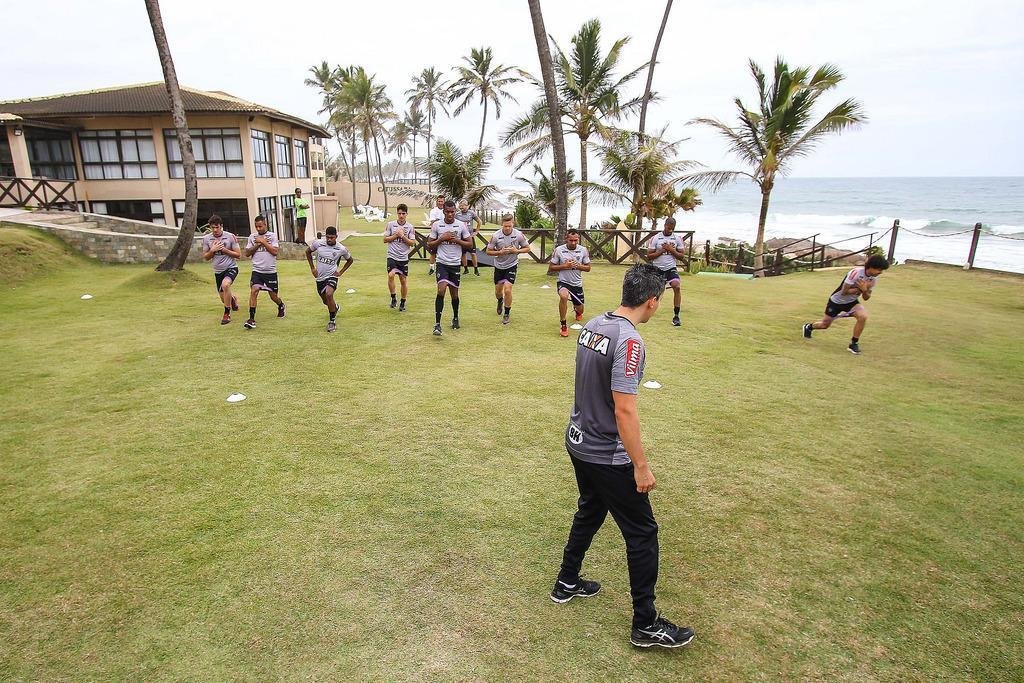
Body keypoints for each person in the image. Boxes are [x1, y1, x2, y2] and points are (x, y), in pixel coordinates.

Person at [552, 263, 694, 650]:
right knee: (642, 532)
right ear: (653, 301)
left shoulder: (596, 323)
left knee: (591, 509)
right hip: (604, 452)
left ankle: (566, 581)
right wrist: (641, 467)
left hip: (577, 441)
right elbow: (624, 409)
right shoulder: (630, 341)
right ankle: (646, 623)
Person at [803, 253, 889, 354]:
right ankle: (809, 327)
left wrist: (865, 290)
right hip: (836, 301)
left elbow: (866, 298)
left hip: (852, 302)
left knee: (863, 316)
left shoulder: (873, 280)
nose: (880, 272)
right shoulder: (855, 273)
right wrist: (859, 289)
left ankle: (853, 344)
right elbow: (844, 292)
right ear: (871, 267)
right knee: (825, 325)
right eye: (879, 269)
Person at [426, 200, 472, 336]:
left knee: (454, 294)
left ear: (455, 212)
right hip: (442, 263)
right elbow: (430, 245)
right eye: (447, 211)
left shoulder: (461, 225)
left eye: (452, 212)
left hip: (455, 264)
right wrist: (442, 238)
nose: (450, 214)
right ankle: (437, 324)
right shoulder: (437, 225)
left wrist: (456, 240)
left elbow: (469, 244)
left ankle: (456, 317)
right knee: (441, 290)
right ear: (443, 211)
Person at [306, 226, 354, 333]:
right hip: (320, 278)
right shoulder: (318, 244)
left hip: (332, 276)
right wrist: (312, 268)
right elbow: (307, 252)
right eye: (327, 237)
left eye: (332, 237)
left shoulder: (341, 249)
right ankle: (335, 308)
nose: (329, 239)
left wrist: (340, 272)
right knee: (325, 301)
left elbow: (350, 260)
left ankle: (332, 321)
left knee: (329, 294)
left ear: (336, 237)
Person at [485, 213, 530, 325]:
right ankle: (500, 301)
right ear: (502, 225)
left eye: (510, 226)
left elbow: (527, 248)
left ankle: (506, 313)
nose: (508, 228)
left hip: (512, 265)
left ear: (512, 224)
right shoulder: (496, 236)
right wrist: (499, 252)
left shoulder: (518, 235)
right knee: (498, 291)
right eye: (505, 226)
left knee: (508, 289)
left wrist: (517, 251)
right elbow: (488, 251)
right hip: (499, 266)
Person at [242, 215, 286, 329]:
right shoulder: (252, 237)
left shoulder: (272, 236)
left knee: (273, 296)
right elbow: (247, 253)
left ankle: (281, 305)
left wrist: (263, 242)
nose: (258, 229)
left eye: (260, 226)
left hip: (270, 272)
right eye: (256, 226)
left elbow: (275, 252)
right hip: (257, 271)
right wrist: (257, 244)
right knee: (254, 291)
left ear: (265, 224)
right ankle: (251, 319)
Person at [549, 229, 592, 337]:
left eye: (575, 240)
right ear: (566, 239)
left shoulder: (583, 250)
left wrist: (578, 266)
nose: (573, 243)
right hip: (563, 281)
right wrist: (565, 266)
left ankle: (577, 310)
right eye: (571, 240)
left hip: (577, 284)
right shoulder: (559, 250)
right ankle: (563, 325)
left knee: (581, 310)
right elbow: (551, 268)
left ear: (578, 239)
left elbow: (588, 268)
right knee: (563, 296)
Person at [200, 214, 241, 325]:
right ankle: (232, 299)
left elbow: (238, 255)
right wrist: (212, 250)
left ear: (221, 226)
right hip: (218, 271)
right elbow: (206, 257)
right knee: (223, 298)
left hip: (231, 267)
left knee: (225, 285)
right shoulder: (207, 239)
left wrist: (224, 250)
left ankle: (226, 314)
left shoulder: (230, 237)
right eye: (213, 227)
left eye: (217, 227)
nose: (215, 230)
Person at [646, 217, 686, 326]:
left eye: (672, 229)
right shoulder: (656, 238)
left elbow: (682, 256)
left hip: (670, 268)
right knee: (655, 293)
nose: (670, 230)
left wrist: (671, 249)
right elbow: (649, 256)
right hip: (657, 269)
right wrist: (662, 250)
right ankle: (645, 312)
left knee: (676, 286)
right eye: (669, 228)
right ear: (665, 225)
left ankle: (676, 316)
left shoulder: (677, 239)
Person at [384, 203, 417, 311]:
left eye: (403, 213)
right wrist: (395, 235)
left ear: (406, 214)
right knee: (391, 275)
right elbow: (385, 239)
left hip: (403, 257)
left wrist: (402, 236)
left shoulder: (410, 227)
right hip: (392, 255)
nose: (401, 216)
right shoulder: (390, 224)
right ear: (397, 214)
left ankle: (403, 301)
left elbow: (412, 243)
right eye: (399, 213)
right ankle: (393, 297)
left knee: (403, 280)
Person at [455, 199, 482, 276]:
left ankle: (476, 270)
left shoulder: (471, 213)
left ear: (468, 205)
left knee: (473, 253)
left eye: (463, 205)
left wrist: (476, 232)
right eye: (460, 205)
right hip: (461, 237)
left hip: (469, 237)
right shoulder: (457, 214)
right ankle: (466, 269)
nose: (462, 207)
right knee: (463, 254)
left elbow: (479, 222)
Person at [426, 194, 446, 275]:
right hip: (436, 234)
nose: (440, 203)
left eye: (442, 201)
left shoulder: (447, 210)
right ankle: (431, 268)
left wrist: (438, 221)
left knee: (444, 252)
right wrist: (438, 221)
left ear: (444, 202)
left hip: (445, 234)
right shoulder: (433, 211)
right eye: (439, 201)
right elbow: (432, 222)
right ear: (436, 202)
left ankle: (443, 268)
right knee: (433, 252)